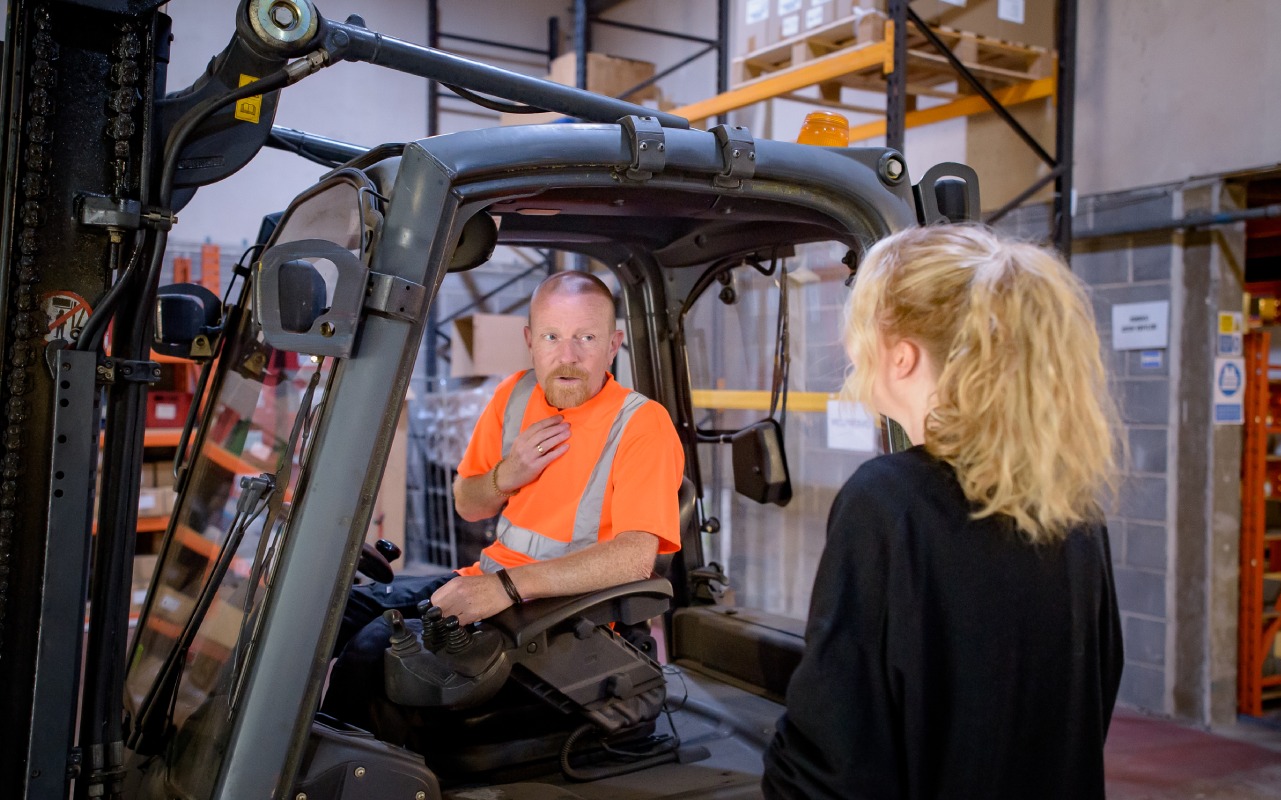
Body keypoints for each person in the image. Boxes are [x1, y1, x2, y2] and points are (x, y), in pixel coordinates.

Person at [762, 225, 1124, 799]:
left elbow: (832, 758)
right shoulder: (1075, 508)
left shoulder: (886, 503)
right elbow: (1091, 706)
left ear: (902, 357)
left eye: (860, 332)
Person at [322, 270, 685, 735]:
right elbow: (468, 504)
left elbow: (636, 558)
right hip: (494, 583)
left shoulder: (641, 425)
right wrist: (508, 474)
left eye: (586, 337)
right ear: (531, 340)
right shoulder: (514, 395)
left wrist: (508, 588)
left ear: (613, 345)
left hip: (572, 623)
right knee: (339, 612)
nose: (567, 356)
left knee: (373, 655)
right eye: (552, 336)